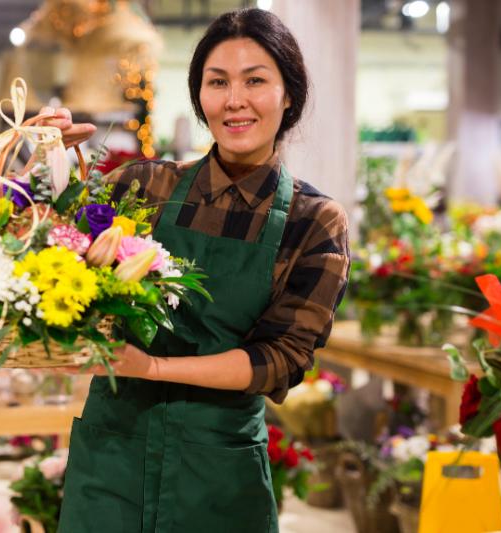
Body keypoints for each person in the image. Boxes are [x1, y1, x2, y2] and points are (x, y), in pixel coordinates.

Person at [41, 8, 350, 532]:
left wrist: (154, 369)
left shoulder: (313, 221)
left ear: (288, 93)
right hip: (112, 461)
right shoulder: (143, 186)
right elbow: (55, 261)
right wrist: (51, 164)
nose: (235, 100)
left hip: (219, 477)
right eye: (217, 81)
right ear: (199, 94)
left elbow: (280, 360)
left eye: (255, 80)